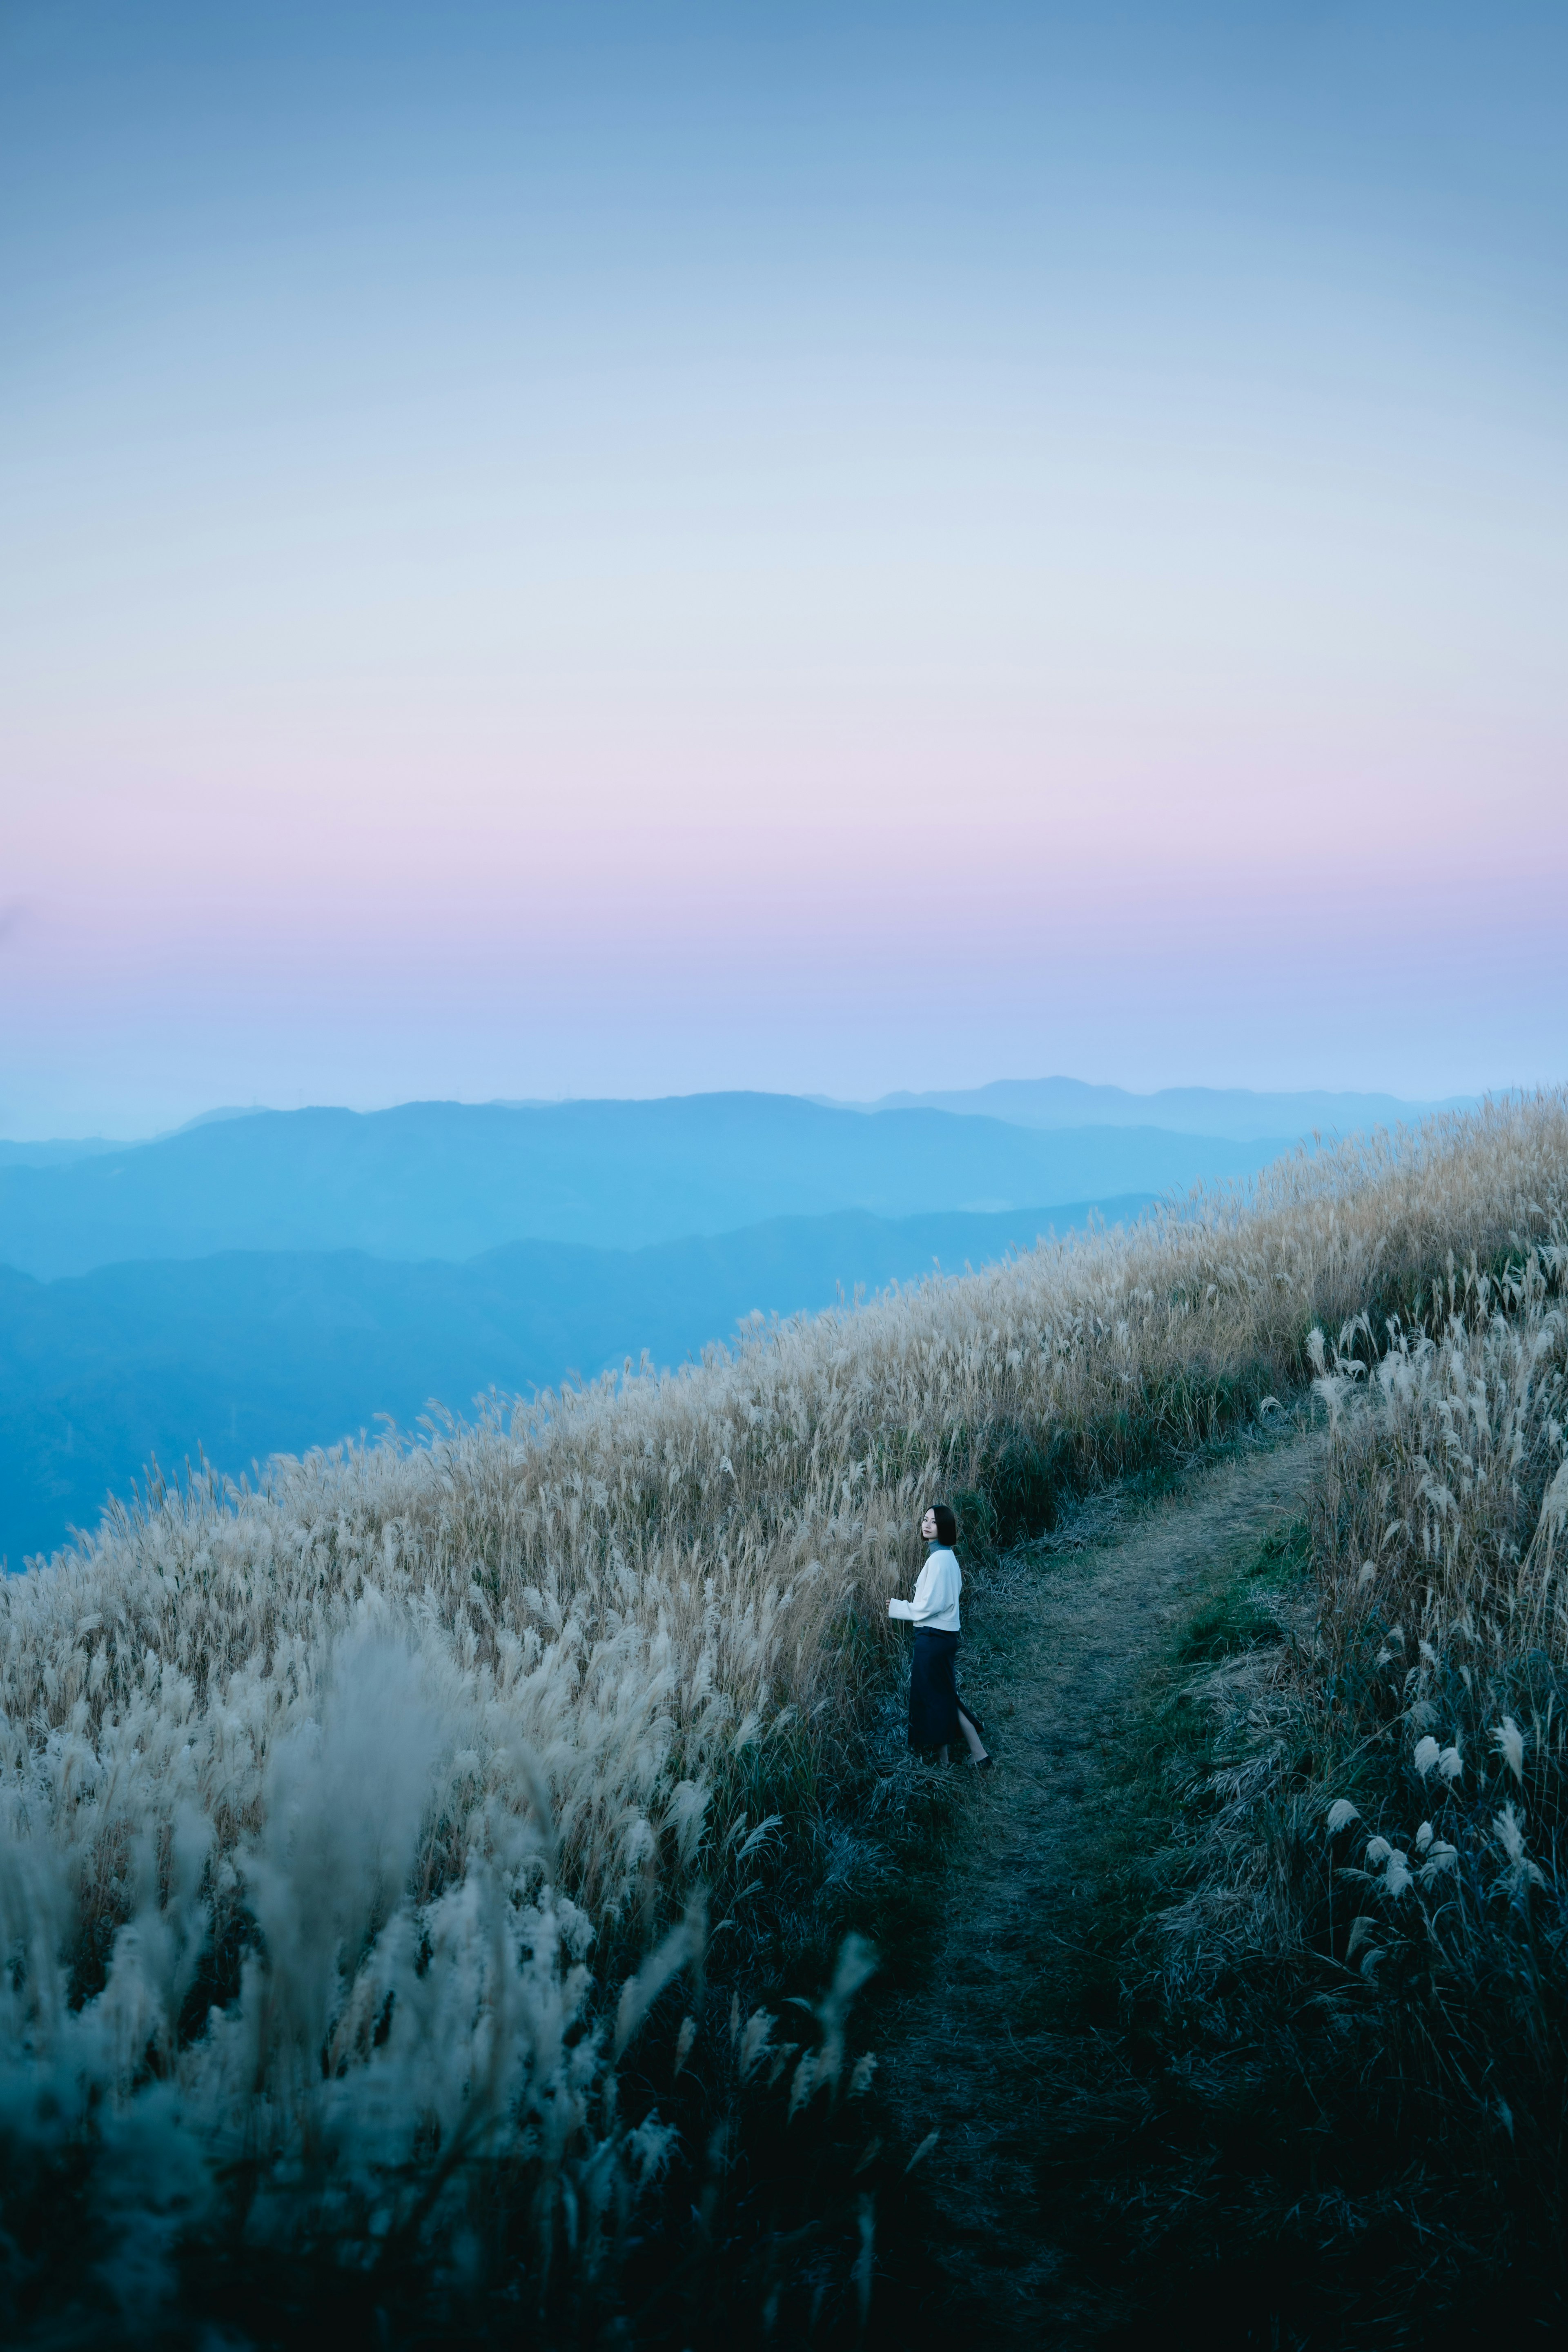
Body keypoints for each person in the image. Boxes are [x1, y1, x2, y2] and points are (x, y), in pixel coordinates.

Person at [888, 1503, 992, 1768]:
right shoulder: (946, 1558)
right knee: (943, 1696)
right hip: (941, 1637)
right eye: (925, 1520)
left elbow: (930, 1606)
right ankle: (976, 1755)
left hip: (934, 1638)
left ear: (944, 1527)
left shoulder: (941, 1561)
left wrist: (896, 1607)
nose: (926, 1525)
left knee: (936, 1697)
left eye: (933, 1522)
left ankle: (946, 1763)